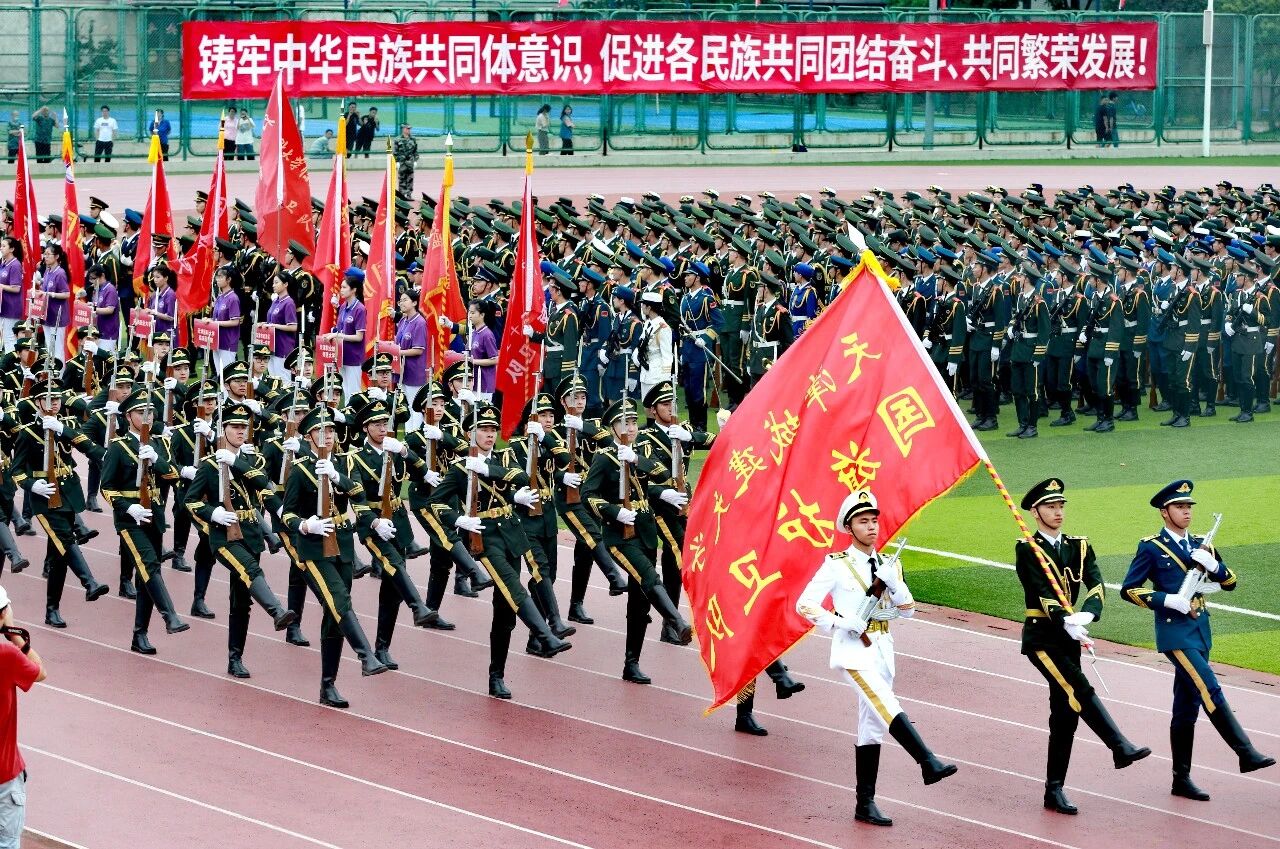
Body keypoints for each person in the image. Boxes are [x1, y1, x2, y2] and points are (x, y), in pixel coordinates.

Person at [795, 489, 956, 828]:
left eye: (873, 521)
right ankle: (927, 761)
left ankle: (864, 804)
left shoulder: (888, 564)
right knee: (886, 703)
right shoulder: (836, 564)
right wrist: (840, 622)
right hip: (852, 651)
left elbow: (908, 611)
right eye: (862, 522)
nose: (870, 527)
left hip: (883, 648)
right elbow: (805, 604)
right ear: (849, 528)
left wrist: (895, 584)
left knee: (870, 727)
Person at [1121, 480, 1275, 800]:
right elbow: (1129, 589)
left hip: (1201, 631)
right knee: (1209, 686)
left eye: (1189, 506)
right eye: (1179, 507)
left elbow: (1230, 583)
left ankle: (1181, 779)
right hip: (1175, 632)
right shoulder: (1151, 547)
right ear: (1164, 512)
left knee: (1186, 706)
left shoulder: (1202, 544)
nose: (1187, 512)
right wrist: (1167, 600)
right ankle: (1245, 752)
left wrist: (1213, 564)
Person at [1015, 478, 1151, 816]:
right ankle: (1119, 745)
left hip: (1070, 637)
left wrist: (1088, 613)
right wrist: (1065, 619)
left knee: (1065, 714)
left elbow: (1095, 581)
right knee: (1080, 688)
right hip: (1042, 637)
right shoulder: (1027, 549)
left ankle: (1054, 790)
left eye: (1060, 506)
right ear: (1035, 512)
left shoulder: (1079, 545)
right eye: (1050, 507)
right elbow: (1041, 592)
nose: (1058, 512)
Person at [428, 402, 571, 699]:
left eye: (493, 429)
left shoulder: (505, 456)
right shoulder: (460, 468)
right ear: (470, 433)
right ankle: (545, 635)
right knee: (512, 585)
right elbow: (436, 503)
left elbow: (522, 477)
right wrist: (459, 520)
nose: (490, 434)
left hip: (511, 534)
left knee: (505, 611)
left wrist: (488, 470)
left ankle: (497, 675)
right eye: (483, 429)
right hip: (484, 536)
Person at [0, 585, 47, 849]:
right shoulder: (6, 656)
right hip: (4, 775)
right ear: (3, 613)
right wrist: (15, 635)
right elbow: (40, 671)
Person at [326, 270, 367, 400]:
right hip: (342, 354)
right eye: (341, 287)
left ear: (353, 290)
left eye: (344, 287)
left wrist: (338, 336)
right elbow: (341, 329)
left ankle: (354, 412)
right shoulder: (343, 306)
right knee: (345, 388)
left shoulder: (360, 309)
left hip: (354, 356)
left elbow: (359, 337)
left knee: (354, 392)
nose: (341, 290)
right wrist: (334, 332)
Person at [39, 244, 71, 364]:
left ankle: (60, 373)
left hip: (57, 315)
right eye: (44, 254)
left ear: (56, 256)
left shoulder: (60, 273)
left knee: (57, 349)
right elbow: (44, 290)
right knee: (49, 348)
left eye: (48, 254)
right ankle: (51, 372)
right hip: (47, 314)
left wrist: (50, 294)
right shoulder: (47, 271)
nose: (45, 257)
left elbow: (66, 294)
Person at [0, 239, 23, 352]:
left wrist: (1, 286)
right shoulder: (3, 263)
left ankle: (13, 361)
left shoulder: (15, 265)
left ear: (12, 249)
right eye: (1, 246)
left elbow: (16, 288)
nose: (1, 248)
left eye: (4, 246)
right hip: (2, 306)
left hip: (11, 307)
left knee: (10, 338)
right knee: (4, 338)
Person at [393, 124, 418, 199]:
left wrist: (415, 160)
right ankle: (402, 195)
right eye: (407, 129)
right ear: (403, 129)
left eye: (409, 129)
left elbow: (415, 151)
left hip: (410, 162)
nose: (409, 130)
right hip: (402, 162)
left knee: (410, 178)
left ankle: (409, 194)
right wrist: (396, 161)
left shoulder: (413, 139)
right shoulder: (397, 139)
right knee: (402, 178)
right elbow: (395, 152)